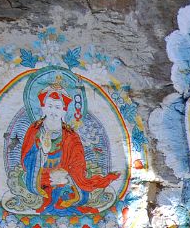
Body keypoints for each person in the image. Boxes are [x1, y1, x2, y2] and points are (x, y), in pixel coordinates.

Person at [20, 75, 120, 215]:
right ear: (43, 108)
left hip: (65, 176)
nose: (53, 111)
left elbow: (77, 162)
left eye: (57, 107)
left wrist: (67, 176)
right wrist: (42, 152)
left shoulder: (70, 135)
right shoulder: (34, 130)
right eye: (49, 106)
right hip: (40, 176)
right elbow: (26, 162)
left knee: (79, 193)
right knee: (28, 183)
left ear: (64, 111)